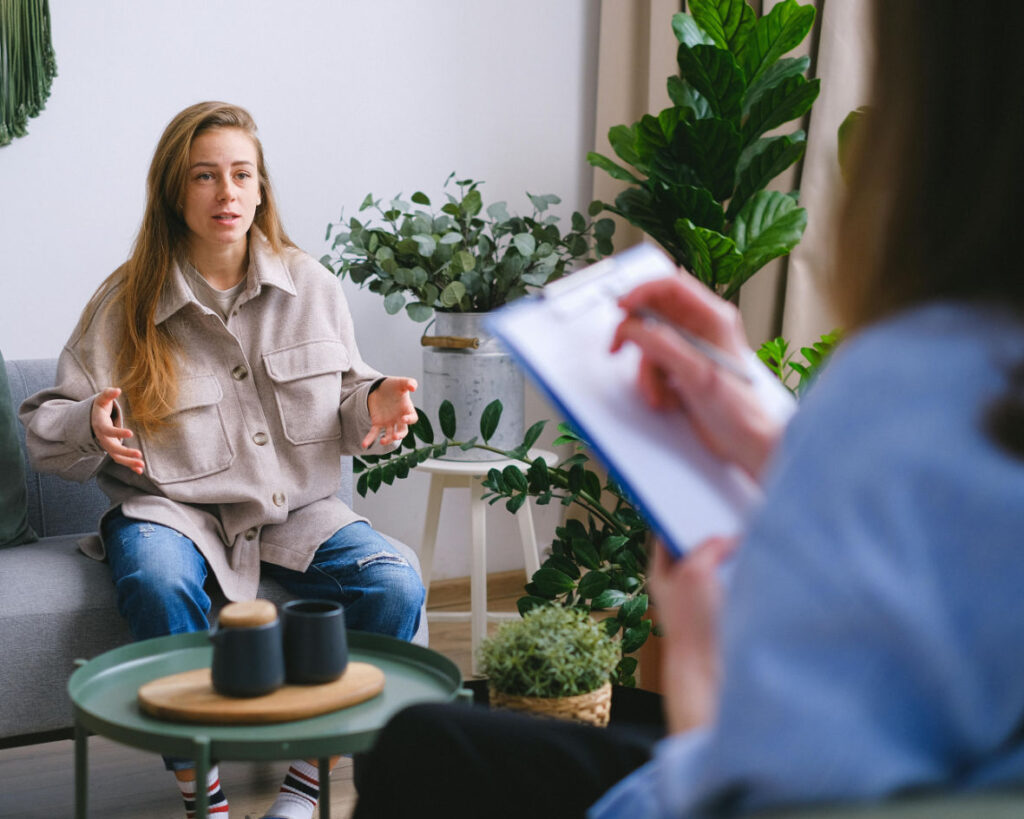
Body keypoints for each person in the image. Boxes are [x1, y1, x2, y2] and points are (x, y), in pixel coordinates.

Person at [350, 0, 1024, 816]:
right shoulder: (973, 388)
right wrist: (773, 430)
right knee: (434, 742)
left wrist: (702, 657)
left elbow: (760, 792)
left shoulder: (933, 370)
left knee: (422, 751)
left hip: (718, 781)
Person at [20, 101, 425, 819]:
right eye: (204, 176)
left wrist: (376, 402)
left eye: (242, 174)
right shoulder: (123, 302)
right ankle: (201, 790)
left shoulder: (312, 286)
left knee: (394, 583)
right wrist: (91, 425)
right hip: (169, 513)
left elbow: (348, 399)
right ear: (174, 192)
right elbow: (43, 426)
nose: (226, 192)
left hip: (295, 513)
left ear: (262, 188)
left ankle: (304, 784)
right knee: (155, 577)